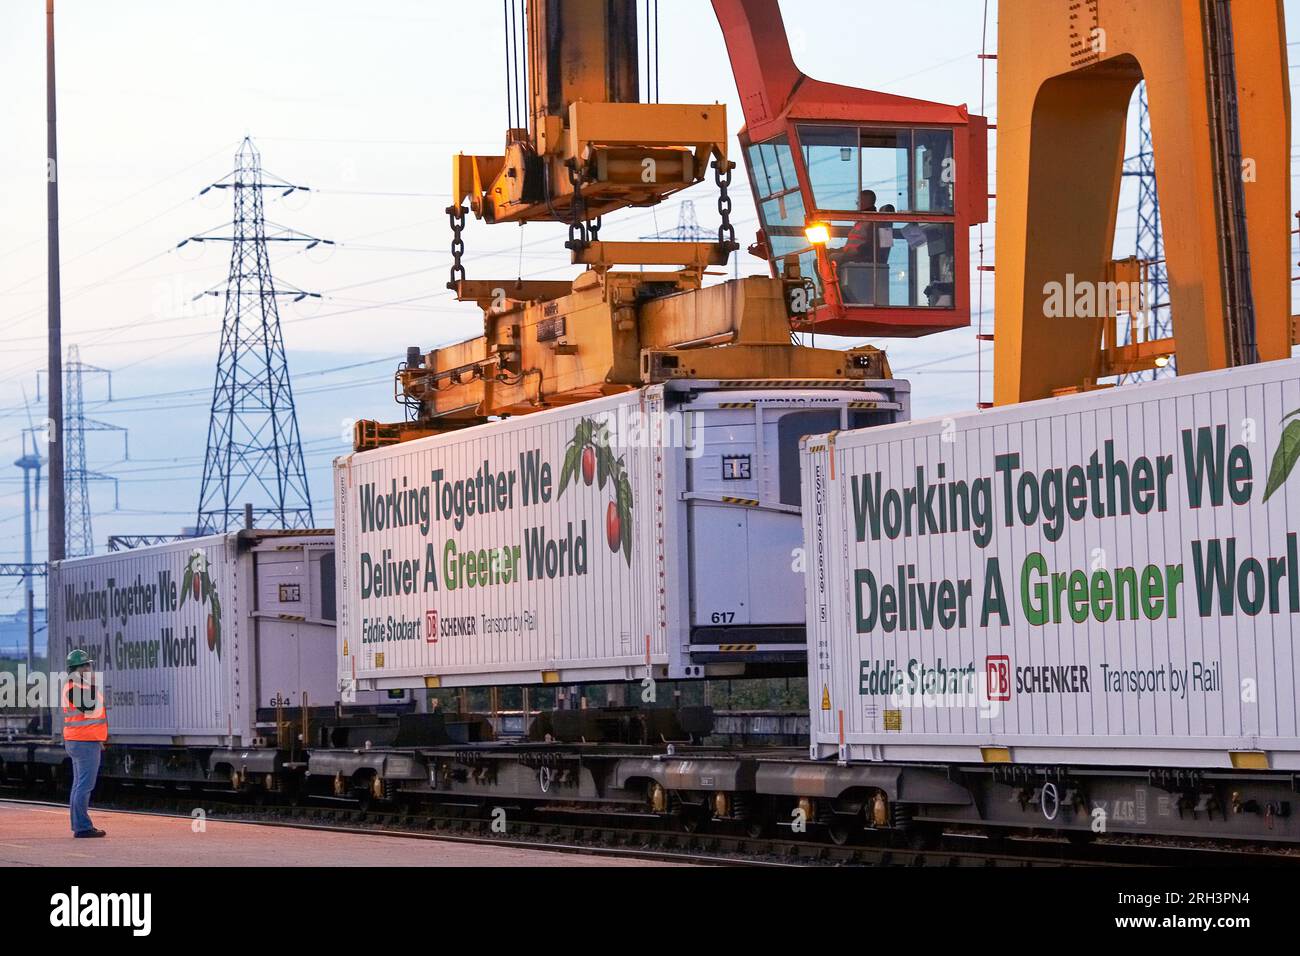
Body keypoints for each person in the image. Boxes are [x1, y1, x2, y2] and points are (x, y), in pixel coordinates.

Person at [62, 649, 107, 838]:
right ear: (76, 668)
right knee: (84, 786)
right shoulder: (75, 687)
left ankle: (79, 825)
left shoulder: (77, 686)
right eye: (85, 665)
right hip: (83, 741)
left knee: (78, 785)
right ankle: (82, 827)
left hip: (82, 740)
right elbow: (89, 707)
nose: (89, 668)